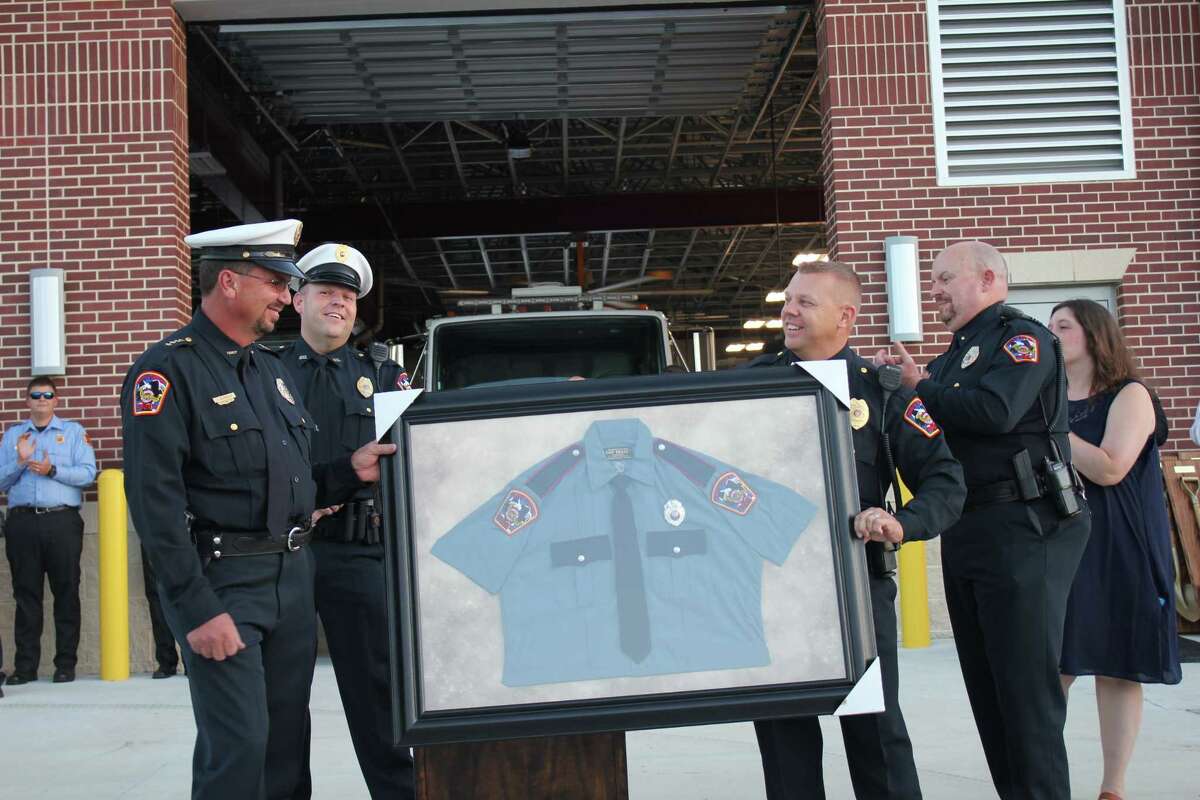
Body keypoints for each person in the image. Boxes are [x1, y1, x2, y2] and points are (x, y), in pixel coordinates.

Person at [121, 219, 396, 800]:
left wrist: (352, 470)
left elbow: (292, 485)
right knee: (240, 749)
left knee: (282, 752)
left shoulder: (269, 372)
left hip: (290, 580)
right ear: (228, 281)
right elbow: (155, 505)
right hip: (225, 586)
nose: (282, 295)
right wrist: (196, 609)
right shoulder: (167, 372)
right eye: (274, 281)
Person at [881, 240, 1091, 800]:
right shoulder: (954, 355)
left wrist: (920, 389)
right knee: (989, 691)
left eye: (947, 277)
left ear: (990, 278)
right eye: (933, 280)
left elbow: (997, 412)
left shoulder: (1021, 339)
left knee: (1026, 696)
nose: (936, 290)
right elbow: (932, 425)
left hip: (1027, 525)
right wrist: (901, 391)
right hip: (970, 526)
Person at [748, 260, 966, 800]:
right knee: (785, 741)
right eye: (789, 298)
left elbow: (946, 482)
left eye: (806, 302)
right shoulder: (749, 385)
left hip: (856, 597)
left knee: (877, 737)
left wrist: (900, 522)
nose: (789, 310)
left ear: (846, 317)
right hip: (773, 594)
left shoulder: (883, 393)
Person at [281, 242, 415, 799]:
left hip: (360, 552)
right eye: (326, 292)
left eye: (347, 296)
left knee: (377, 695)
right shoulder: (261, 369)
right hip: (283, 553)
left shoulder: (383, 374)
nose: (338, 304)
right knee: (281, 697)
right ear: (297, 300)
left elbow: (412, 458)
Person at [1049, 299, 1181, 800]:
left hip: (1121, 543)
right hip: (1063, 542)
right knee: (1053, 665)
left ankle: (1113, 787)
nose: (1052, 334)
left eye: (1063, 326)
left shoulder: (1131, 396)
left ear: (1094, 335)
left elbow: (1109, 467)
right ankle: (1042, 779)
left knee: (1119, 666)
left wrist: (1050, 427)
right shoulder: (1050, 395)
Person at [0, 376, 97, 685]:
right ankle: (25, 668)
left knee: (66, 591)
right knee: (26, 595)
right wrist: (21, 460)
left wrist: (51, 470)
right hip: (22, 522)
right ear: (27, 401)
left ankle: (65, 665)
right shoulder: (14, 436)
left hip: (61, 522)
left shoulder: (73, 433)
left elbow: (88, 474)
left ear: (56, 400)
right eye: (35, 395)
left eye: (47, 395)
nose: (41, 399)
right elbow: (1, 482)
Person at [140, 544, 179, 678]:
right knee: (155, 594)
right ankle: (166, 661)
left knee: (187, 592)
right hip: (152, 529)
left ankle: (190, 661)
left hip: (185, 528)